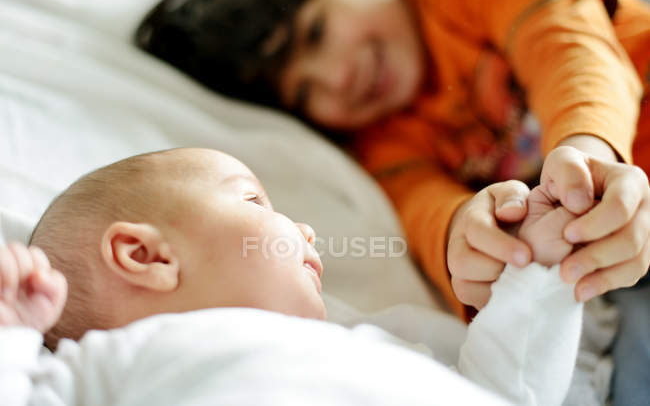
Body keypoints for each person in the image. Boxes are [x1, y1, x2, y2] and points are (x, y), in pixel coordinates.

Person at [134, 0, 650, 403]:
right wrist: (469, 242)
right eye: (306, 91)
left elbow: (569, 49)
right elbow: (429, 215)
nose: (337, 76)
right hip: (620, 268)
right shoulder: (383, 146)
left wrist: (587, 157)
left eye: (316, 33)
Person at [1, 147, 582, 405]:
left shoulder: (379, 339)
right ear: (148, 257)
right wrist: (13, 333)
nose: (303, 227)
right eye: (254, 199)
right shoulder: (112, 363)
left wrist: (538, 271)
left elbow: (507, 388)